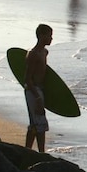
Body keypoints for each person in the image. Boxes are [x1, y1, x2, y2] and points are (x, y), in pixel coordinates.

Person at [24, 24, 53, 152]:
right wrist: (36, 96)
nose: (51, 38)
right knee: (39, 123)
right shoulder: (33, 54)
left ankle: (28, 151)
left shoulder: (45, 52)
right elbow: (28, 78)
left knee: (36, 123)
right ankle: (40, 152)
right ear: (41, 36)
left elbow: (45, 75)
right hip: (32, 90)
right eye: (49, 35)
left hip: (40, 89)